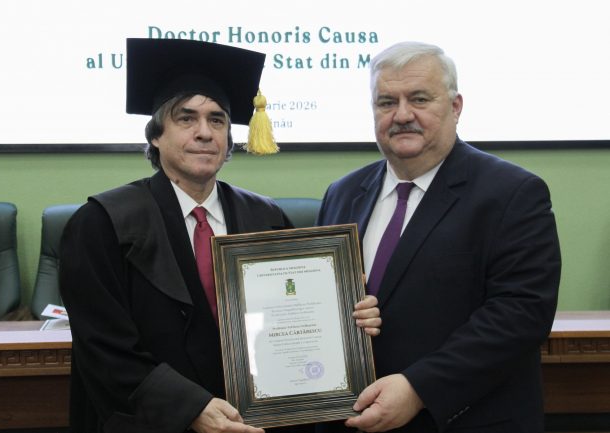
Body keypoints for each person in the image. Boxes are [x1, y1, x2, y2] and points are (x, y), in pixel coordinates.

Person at [59, 38, 381, 433]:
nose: (204, 133)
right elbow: (103, 348)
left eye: (217, 120)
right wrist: (190, 409)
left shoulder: (265, 217)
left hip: (253, 423)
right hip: (155, 422)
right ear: (156, 135)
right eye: (186, 119)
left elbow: (294, 315)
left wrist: (348, 313)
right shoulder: (103, 224)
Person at [316, 41, 561, 432]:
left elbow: (520, 315)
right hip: (356, 418)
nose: (402, 115)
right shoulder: (342, 194)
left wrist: (419, 388)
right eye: (386, 102)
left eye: (419, 99)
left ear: (455, 106)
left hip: (462, 420)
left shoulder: (512, 193)